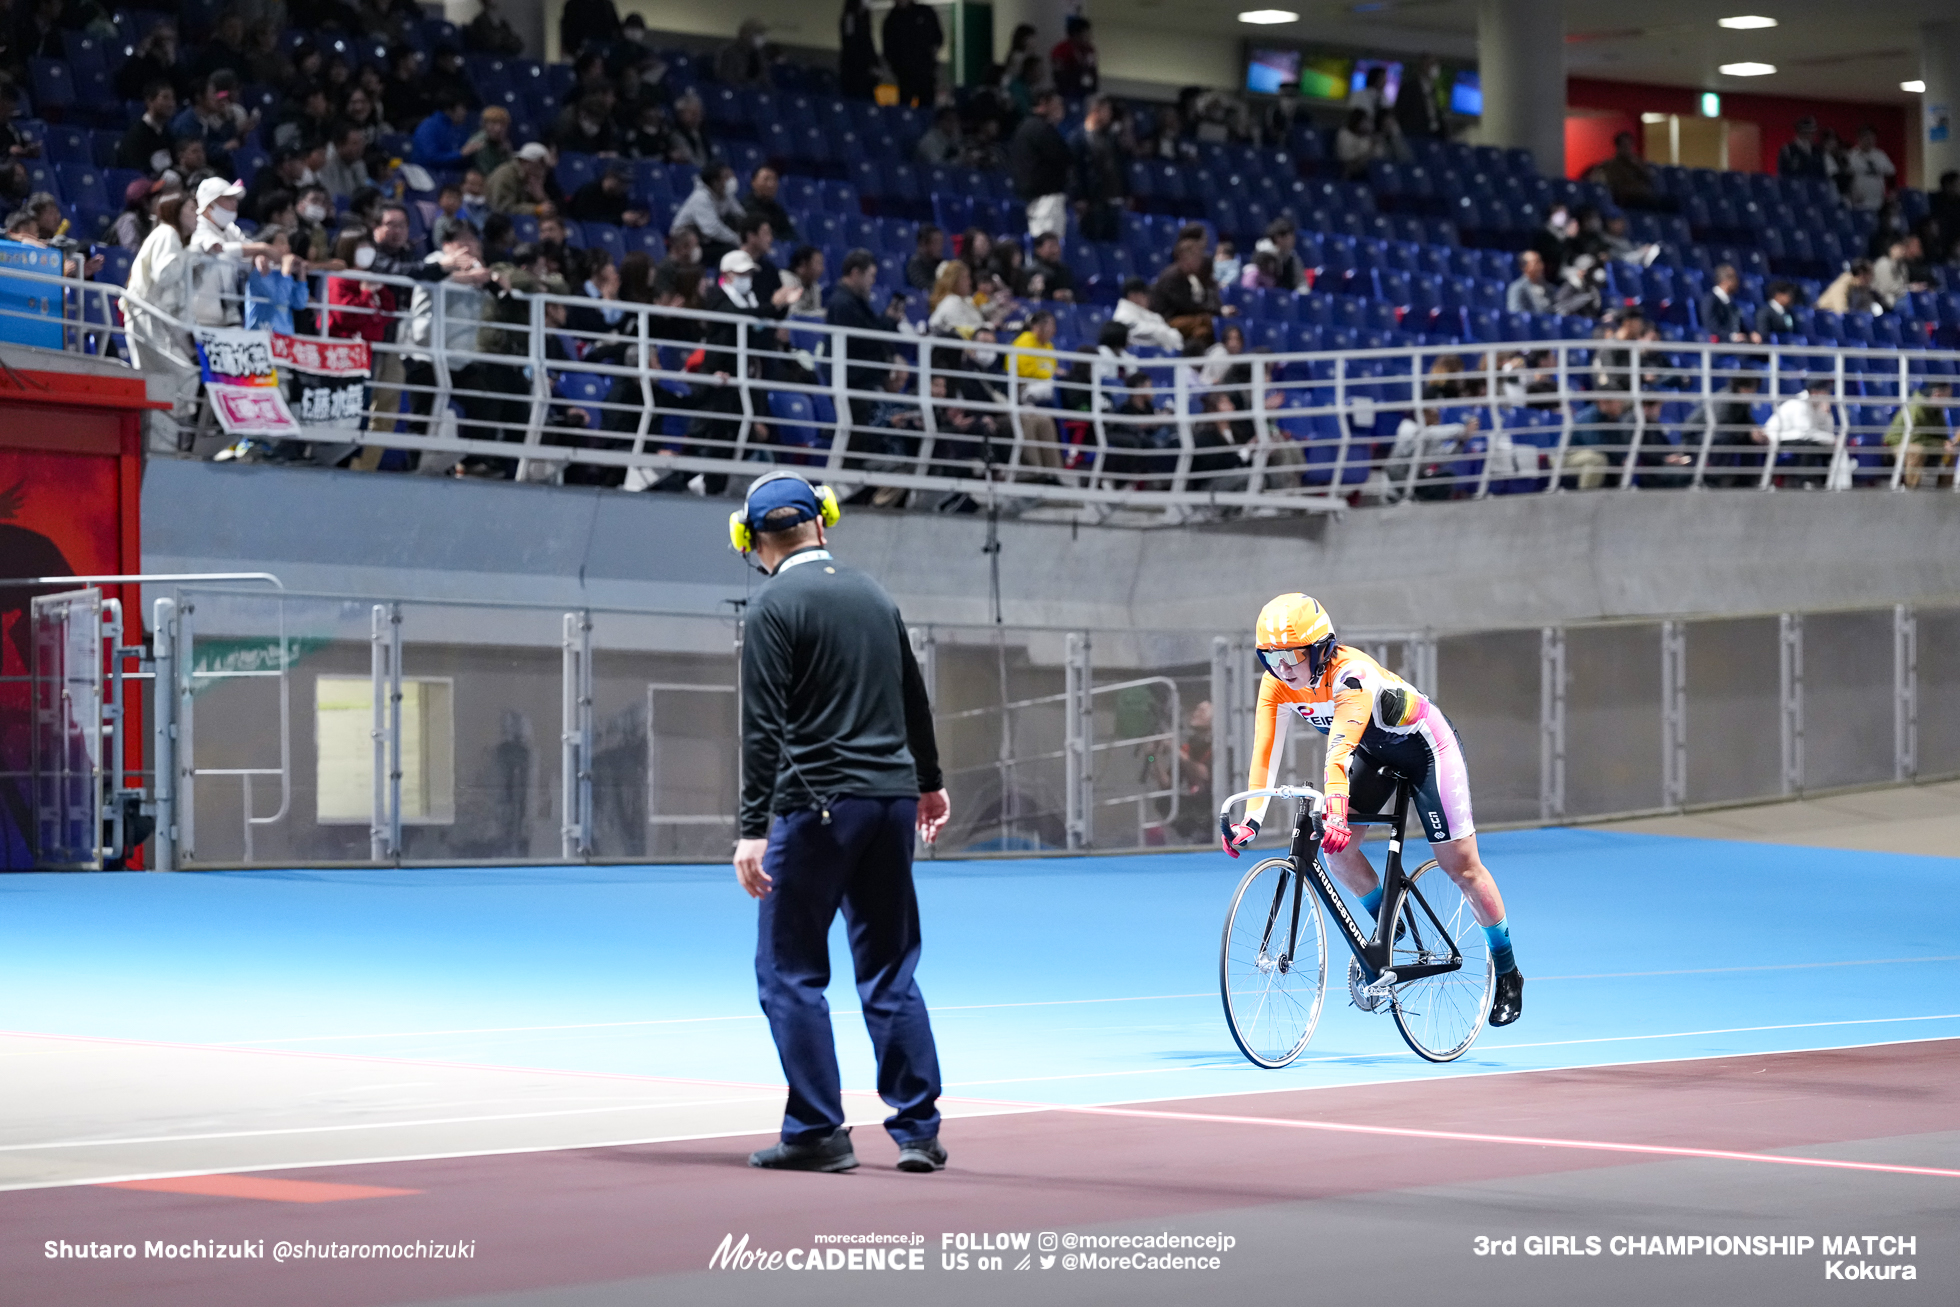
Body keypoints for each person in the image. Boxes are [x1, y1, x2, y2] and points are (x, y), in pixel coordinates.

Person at [731, 471, 950, 1175]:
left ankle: (819, 1129)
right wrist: (929, 782)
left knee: (789, 969)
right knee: (889, 968)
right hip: (890, 801)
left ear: (753, 540)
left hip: (818, 804)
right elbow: (912, 693)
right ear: (824, 521)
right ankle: (918, 1130)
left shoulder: (772, 606)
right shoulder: (875, 595)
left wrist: (752, 826)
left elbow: (762, 725)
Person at [1223, 594, 1523, 1027]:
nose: (1282, 668)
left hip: (1425, 750)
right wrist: (1250, 819)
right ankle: (1390, 932)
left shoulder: (1351, 676)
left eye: (1291, 656)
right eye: (1271, 657)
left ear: (1320, 648)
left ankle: (1509, 972)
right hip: (1375, 753)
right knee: (1337, 853)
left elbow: (1338, 753)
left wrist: (1339, 811)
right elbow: (1264, 754)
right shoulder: (1277, 684)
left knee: (1460, 866)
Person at [1010, 90, 1071, 241]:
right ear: (1044, 104)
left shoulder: (1026, 126)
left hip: (1034, 198)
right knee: (1047, 244)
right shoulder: (1041, 129)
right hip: (1046, 200)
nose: (1060, 108)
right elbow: (1064, 156)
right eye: (1056, 104)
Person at [1069, 95, 1126, 243]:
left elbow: (1118, 166)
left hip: (1112, 200)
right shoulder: (1077, 138)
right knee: (1092, 241)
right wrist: (1079, 197)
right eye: (1106, 110)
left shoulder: (1111, 138)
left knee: (1111, 243)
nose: (1110, 114)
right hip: (1092, 203)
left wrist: (1125, 191)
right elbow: (1074, 171)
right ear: (1096, 111)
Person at [1884, 382, 1956, 489]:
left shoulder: (1938, 410)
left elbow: (1942, 436)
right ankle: (1911, 491)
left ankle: (1944, 491)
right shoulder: (1917, 407)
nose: (1949, 400)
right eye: (1947, 396)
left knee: (1951, 452)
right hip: (1898, 443)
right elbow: (1914, 436)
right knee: (1916, 451)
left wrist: (1950, 443)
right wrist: (1941, 444)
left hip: (1923, 443)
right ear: (1937, 395)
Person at [881, 0, 942, 109]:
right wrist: (897, 69)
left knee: (927, 108)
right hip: (905, 75)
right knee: (905, 108)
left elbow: (938, 37)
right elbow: (888, 50)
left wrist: (933, 52)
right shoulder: (891, 20)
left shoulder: (925, 12)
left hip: (926, 72)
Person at [118, 80, 179, 175]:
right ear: (149, 101)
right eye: (165, 98)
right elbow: (137, 171)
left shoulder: (167, 133)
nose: (171, 104)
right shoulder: (136, 135)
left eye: (173, 98)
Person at [1113, 275, 1183, 351]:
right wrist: (1165, 334)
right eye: (1145, 294)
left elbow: (1177, 337)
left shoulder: (1149, 315)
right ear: (1133, 296)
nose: (1148, 299)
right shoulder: (1123, 316)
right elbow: (1154, 334)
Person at [412, 93, 475, 171]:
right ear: (449, 110)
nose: (465, 112)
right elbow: (431, 158)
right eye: (462, 108)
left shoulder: (459, 127)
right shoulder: (428, 127)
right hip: (430, 174)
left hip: (455, 172)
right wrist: (460, 154)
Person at [1599, 132, 1658, 209]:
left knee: (1671, 202)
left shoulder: (1638, 162)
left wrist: (1636, 166)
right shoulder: (1611, 165)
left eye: (1629, 145)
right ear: (1618, 147)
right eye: (1624, 145)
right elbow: (1615, 185)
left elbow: (1649, 179)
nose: (1628, 148)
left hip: (1643, 195)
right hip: (1627, 198)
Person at [1698, 263, 1755, 342]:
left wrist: (1751, 334)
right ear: (1725, 281)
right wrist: (1731, 336)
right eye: (1734, 278)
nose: (1737, 282)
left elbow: (1738, 325)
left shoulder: (1731, 302)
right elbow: (1711, 327)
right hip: (1723, 345)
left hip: (1738, 344)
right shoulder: (1710, 300)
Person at [1844, 126, 1894, 213]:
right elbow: (1845, 179)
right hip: (1859, 203)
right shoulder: (1851, 156)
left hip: (1879, 203)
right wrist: (1849, 195)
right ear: (1859, 139)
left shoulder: (1881, 155)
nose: (1869, 140)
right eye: (1866, 137)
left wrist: (1892, 193)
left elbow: (1891, 174)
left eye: (1872, 137)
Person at [1394, 54, 1444, 141]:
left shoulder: (1432, 89)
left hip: (1433, 134)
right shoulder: (1409, 87)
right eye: (1430, 64)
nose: (1433, 69)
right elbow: (1401, 112)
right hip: (1415, 134)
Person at [838, 0, 879, 102]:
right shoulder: (849, 18)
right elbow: (850, 44)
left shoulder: (865, 18)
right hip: (853, 70)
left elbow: (869, 43)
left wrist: (874, 64)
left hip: (866, 71)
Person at [743, 164, 796, 243]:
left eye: (774, 180)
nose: (771, 184)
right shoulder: (745, 206)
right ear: (753, 182)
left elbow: (790, 235)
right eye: (766, 179)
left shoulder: (778, 209)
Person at [1049, 16, 1097, 97]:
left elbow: (1092, 71)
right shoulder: (1060, 51)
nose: (1090, 37)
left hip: (1086, 92)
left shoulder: (1089, 50)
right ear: (1076, 34)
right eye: (1087, 33)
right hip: (1067, 93)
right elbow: (1058, 75)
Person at [1777, 116, 1828, 180]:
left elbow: (1822, 173)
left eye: (1812, 132)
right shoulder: (1788, 150)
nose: (1810, 136)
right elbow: (1782, 174)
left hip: (1814, 187)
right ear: (1799, 132)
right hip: (1794, 187)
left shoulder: (1817, 151)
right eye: (1806, 132)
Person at [1504, 249, 1550, 315]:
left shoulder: (1548, 287)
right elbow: (1516, 313)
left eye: (1540, 262)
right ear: (1524, 267)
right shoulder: (1516, 288)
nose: (1541, 266)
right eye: (1536, 263)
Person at [906, 223, 943, 291]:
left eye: (941, 242)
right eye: (935, 242)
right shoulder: (915, 264)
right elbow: (923, 286)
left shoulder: (942, 263)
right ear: (923, 244)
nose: (940, 247)